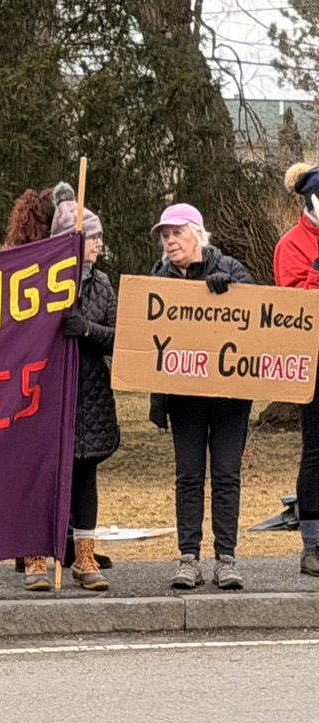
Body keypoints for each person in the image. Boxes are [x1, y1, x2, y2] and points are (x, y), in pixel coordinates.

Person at [150, 203, 254, 590]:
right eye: (165, 235)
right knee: (188, 476)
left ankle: (226, 558)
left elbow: (261, 316)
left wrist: (233, 291)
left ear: (197, 233)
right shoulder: (158, 279)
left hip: (230, 397)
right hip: (184, 397)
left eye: (177, 232)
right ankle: (188, 558)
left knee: (226, 474)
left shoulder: (230, 268)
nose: (170, 241)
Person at [19, 195, 119, 591]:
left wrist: (88, 330)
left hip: (89, 396)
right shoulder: (37, 280)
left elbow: (118, 336)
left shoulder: (102, 284)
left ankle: (84, 556)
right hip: (46, 393)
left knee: (85, 477)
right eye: (92, 237)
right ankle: (34, 556)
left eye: (100, 237)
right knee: (41, 476)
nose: (99, 243)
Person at [275, 162, 319, 575]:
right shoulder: (291, 245)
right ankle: (313, 544)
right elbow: (293, 309)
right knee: (316, 450)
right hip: (314, 362)